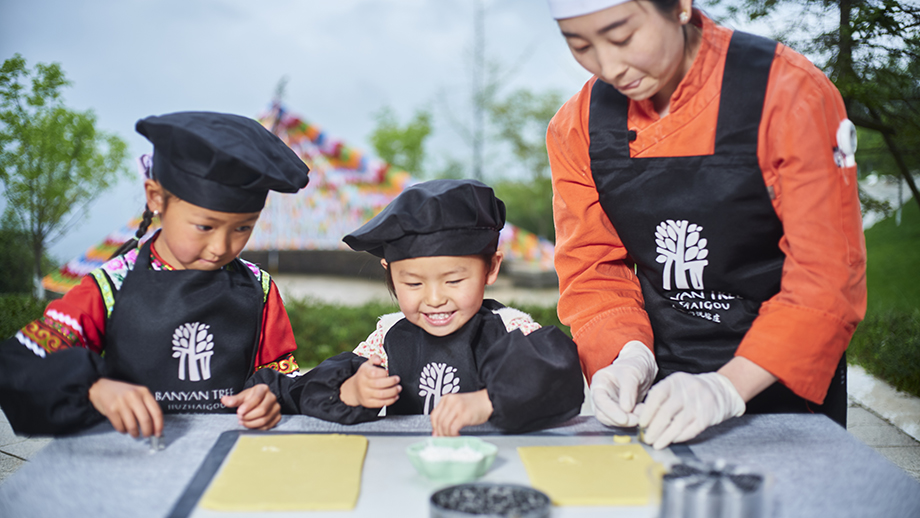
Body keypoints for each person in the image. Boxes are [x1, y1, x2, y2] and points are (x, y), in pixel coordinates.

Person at [545, 0, 867, 449]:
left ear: (679, 6)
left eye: (622, 38)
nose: (610, 66)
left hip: (788, 375)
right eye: (581, 46)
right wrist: (624, 357)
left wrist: (724, 388)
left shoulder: (789, 94)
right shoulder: (578, 126)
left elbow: (826, 276)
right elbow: (592, 269)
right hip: (659, 380)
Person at [0, 111, 311, 439]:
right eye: (204, 226)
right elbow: (21, 365)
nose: (221, 247)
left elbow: (281, 376)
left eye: (243, 227)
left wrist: (270, 396)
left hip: (227, 455)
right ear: (155, 197)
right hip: (129, 459)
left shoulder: (259, 289)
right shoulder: (110, 286)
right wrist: (92, 387)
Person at [297, 179, 585, 435]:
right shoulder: (388, 337)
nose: (434, 299)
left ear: (491, 268)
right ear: (390, 274)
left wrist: (489, 400)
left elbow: (558, 374)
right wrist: (353, 390)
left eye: (454, 280)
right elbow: (318, 383)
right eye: (413, 284)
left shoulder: (510, 329)